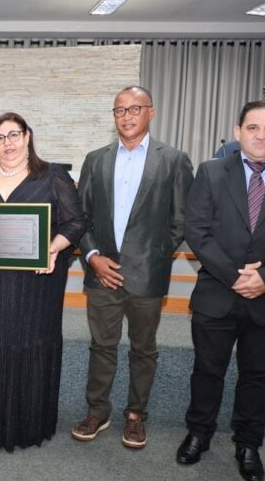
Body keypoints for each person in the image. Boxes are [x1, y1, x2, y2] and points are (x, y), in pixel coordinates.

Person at [176, 101, 265, 481]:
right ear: (238, 133)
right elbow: (195, 230)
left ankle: (248, 443)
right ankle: (198, 433)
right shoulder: (212, 172)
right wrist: (234, 276)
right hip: (218, 293)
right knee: (207, 370)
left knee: (257, 376)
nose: (261, 135)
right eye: (253, 127)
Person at [0, 112, 86, 452]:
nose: (7, 143)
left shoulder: (53, 176)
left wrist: (53, 248)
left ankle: (31, 424)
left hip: (38, 285)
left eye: (14, 135)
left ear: (27, 137)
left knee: (32, 343)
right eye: (0, 138)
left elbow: (76, 223)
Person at [73, 85, 193, 449]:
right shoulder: (96, 159)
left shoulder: (173, 160)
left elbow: (180, 222)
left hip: (148, 274)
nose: (127, 116)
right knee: (102, 346)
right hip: (101, 273)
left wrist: (149, 258)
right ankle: (98, 410)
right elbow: (81, 217)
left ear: (151, 113)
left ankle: (136, 415)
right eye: (120, 110)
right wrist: (93, 257)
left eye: (134, 109)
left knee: (144, 349)